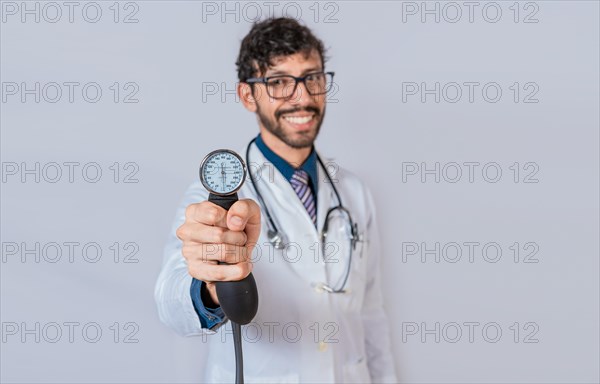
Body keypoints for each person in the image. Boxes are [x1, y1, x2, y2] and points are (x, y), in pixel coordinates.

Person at [155, 17, 397, 383]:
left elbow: (372, 317)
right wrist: (210, 286)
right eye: (279, 82)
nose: (302, 97)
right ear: (247, 95)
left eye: (312, 78)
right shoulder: (216, 199)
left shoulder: (355, 193)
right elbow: (171, 302)